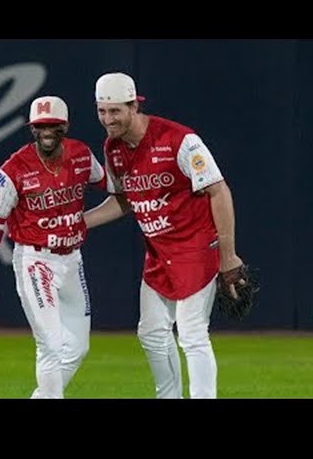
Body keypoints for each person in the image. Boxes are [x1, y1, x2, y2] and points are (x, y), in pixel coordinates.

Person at [84, 72, 247, 399]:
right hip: (159, 253)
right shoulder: (113, 148)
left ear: (134, 105)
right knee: (152, 332)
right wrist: (78, 222)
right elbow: (123, 202)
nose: (107, 119)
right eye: (102, 111)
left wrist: (228, 255)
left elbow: (219, 192)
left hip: (195, 247)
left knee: (192, 334)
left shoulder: (180, 140)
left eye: (115, 111)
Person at [0, 95, 109, 398]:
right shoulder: (14, 169)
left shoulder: (82, 155)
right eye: (40, 126)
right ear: (31, 128)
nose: (46, 132)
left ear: (65, 126)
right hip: (36, 261)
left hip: (73, 259)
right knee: (49, 342)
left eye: (53, 126)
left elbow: (109, 184)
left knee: (78, 346)